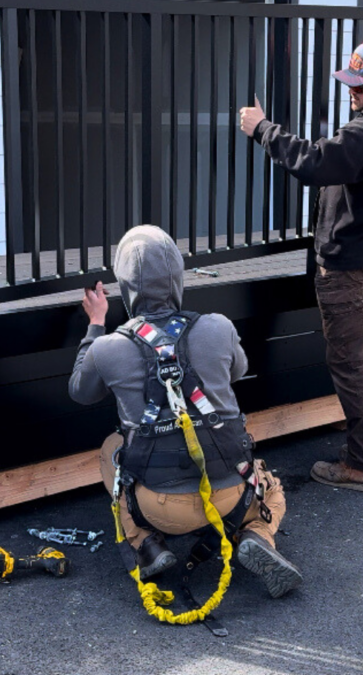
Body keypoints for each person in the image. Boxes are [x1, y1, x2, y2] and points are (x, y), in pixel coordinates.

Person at [69, 224, 302, 598]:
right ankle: (257, 535)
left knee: (111, 446)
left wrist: (96, 323)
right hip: (231, 497)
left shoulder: (108, 348)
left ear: (126, 286)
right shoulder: (218, 327)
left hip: (159, 506)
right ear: (177, 279)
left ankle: (146, 542)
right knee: (271, 489)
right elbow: (238, 370)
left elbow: (80, 391)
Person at [239, 41, 363, 493]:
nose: (353, 93)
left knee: (350, 361)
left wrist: (262, 129)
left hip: (348, 259)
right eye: (350, 84)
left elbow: (314, 162)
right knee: (361, 354)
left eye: (361, 87)